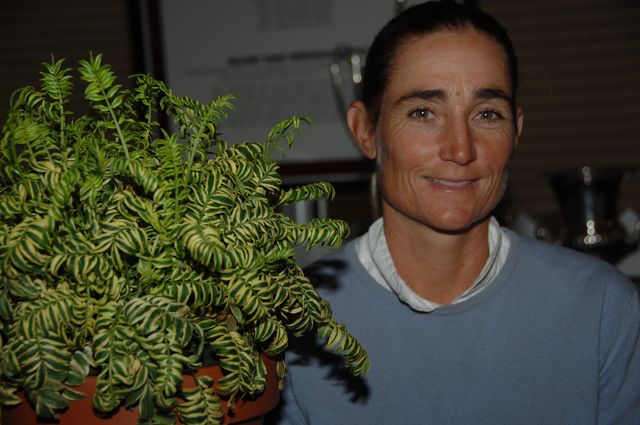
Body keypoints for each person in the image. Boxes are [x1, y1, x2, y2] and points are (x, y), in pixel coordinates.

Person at [268, 1, 640, 424]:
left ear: (515, 131)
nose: (460, 149)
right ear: (366, 131)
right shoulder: (292, 317)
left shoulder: (601, 310)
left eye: (487, 114)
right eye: (423, 113)